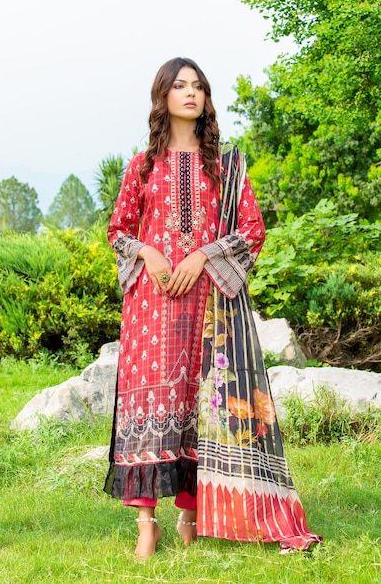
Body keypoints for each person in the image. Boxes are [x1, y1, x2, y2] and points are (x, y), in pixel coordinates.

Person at [104, 57, 323, 558]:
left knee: (202, 405)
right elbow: (118, 231)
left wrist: (203, 254)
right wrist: (149, 251)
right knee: (151, 404)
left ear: (205, 98)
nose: (190, 93)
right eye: (179, 86)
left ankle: (190, 512)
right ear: (162, 97)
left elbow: (252, 230)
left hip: (208, 305)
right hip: (151, 307)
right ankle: (145, 524)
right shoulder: (142, 165)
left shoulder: (223, 165)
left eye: (197, 86)